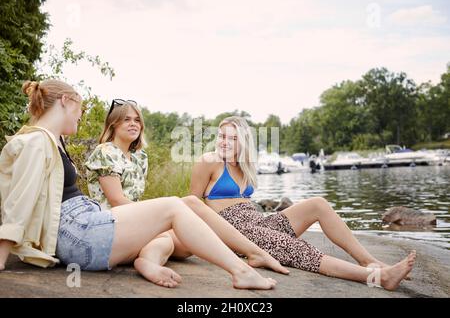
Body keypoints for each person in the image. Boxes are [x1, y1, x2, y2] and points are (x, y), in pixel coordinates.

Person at [0, 80, 277, 290]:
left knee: (186, 206)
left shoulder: (53, 139)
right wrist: (2, 256)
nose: (80, 116)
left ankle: (252, 254)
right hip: (78, 234)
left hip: (87, 222)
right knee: (173, 206)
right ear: (64, 101)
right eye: (80, 108)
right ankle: (241, 270)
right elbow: (18, 201)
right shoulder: (36, 142)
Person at [190, 116, 416, 291]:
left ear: (244, 141)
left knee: (318, 203)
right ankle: (380, 278)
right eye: (222, 136)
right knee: (300, 249)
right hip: (235, 233)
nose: (225, 142)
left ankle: (369, 261)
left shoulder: (245, 165)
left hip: (259, 224)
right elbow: (192, 205)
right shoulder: (209, 161)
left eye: (233, 138)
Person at [85, 99, 289, 287]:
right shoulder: (106, 151)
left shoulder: (139, 157)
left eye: (137, 120)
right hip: (110, 224)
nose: (133, 124)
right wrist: (156, 214)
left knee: (178, 240)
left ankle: (148, 263)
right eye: (126, 120)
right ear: (113, 124)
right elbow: (117, 200)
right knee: (190, 203)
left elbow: (134, 201)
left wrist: (154, 220)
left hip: (132, 225)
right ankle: (252, 255)